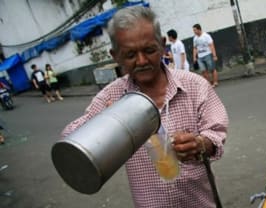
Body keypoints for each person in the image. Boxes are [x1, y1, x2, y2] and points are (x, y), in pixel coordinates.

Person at [62, 6, 228, 208]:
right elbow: (70, 142)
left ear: (162, 45)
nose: (141, 61)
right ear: (116, 56)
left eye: (149, 50)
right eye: (130, 55)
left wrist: (201, 144)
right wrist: (107, 123)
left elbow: (216, 131)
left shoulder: (194, 85)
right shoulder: (111, 97)